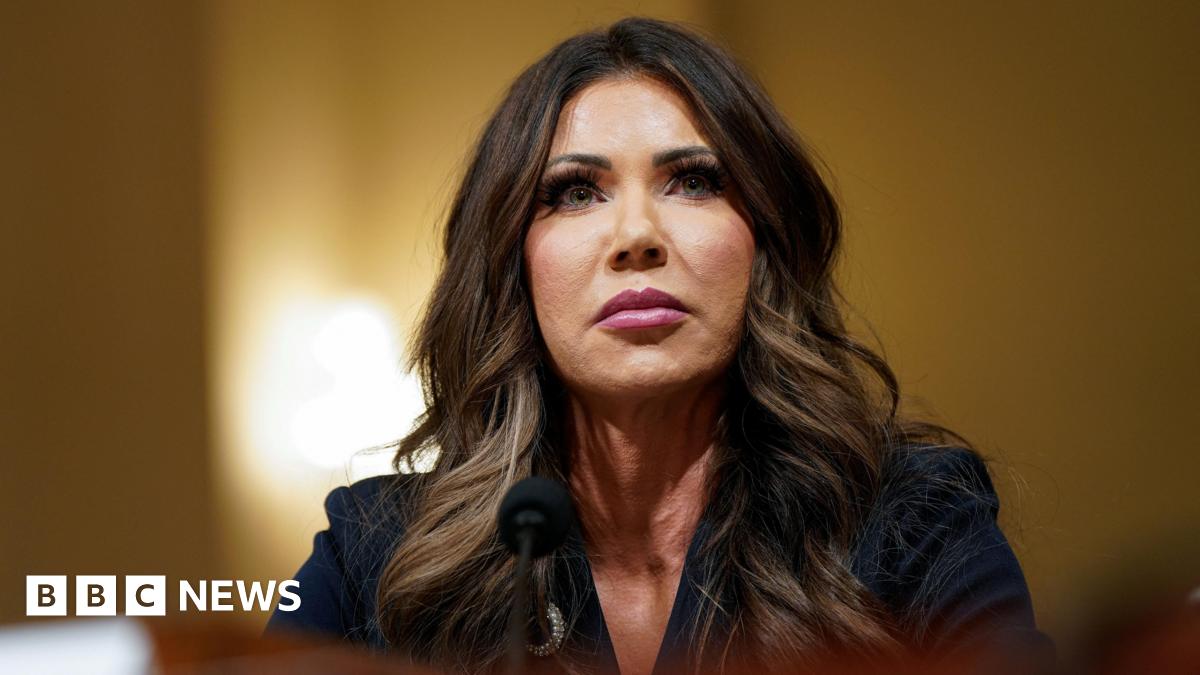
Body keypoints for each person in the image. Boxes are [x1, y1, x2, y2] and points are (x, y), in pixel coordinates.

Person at [266, 16, 1054, 675]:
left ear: (764, 243)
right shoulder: (373, 558)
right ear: (514, 263)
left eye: (694, 181)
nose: (637, 236)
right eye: (576, 192)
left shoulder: (910, 524)